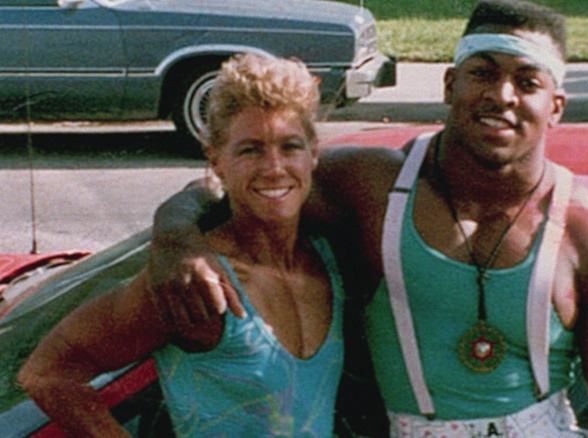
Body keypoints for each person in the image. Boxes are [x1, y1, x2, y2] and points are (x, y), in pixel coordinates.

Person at [148, 1, 588, 436]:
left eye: (527, 81)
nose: (501, 95)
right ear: (449, 85)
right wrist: (174, 238)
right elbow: (231, 183)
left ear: (555, 107)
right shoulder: (372, 187)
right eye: (482, 73)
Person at [18, 53, 346, 437]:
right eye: (250, 150)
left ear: (314, 154)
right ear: (216, 160)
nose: (274, 167)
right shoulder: (199, 283)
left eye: (289, 147)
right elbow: (46, 373)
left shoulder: (329, 261)